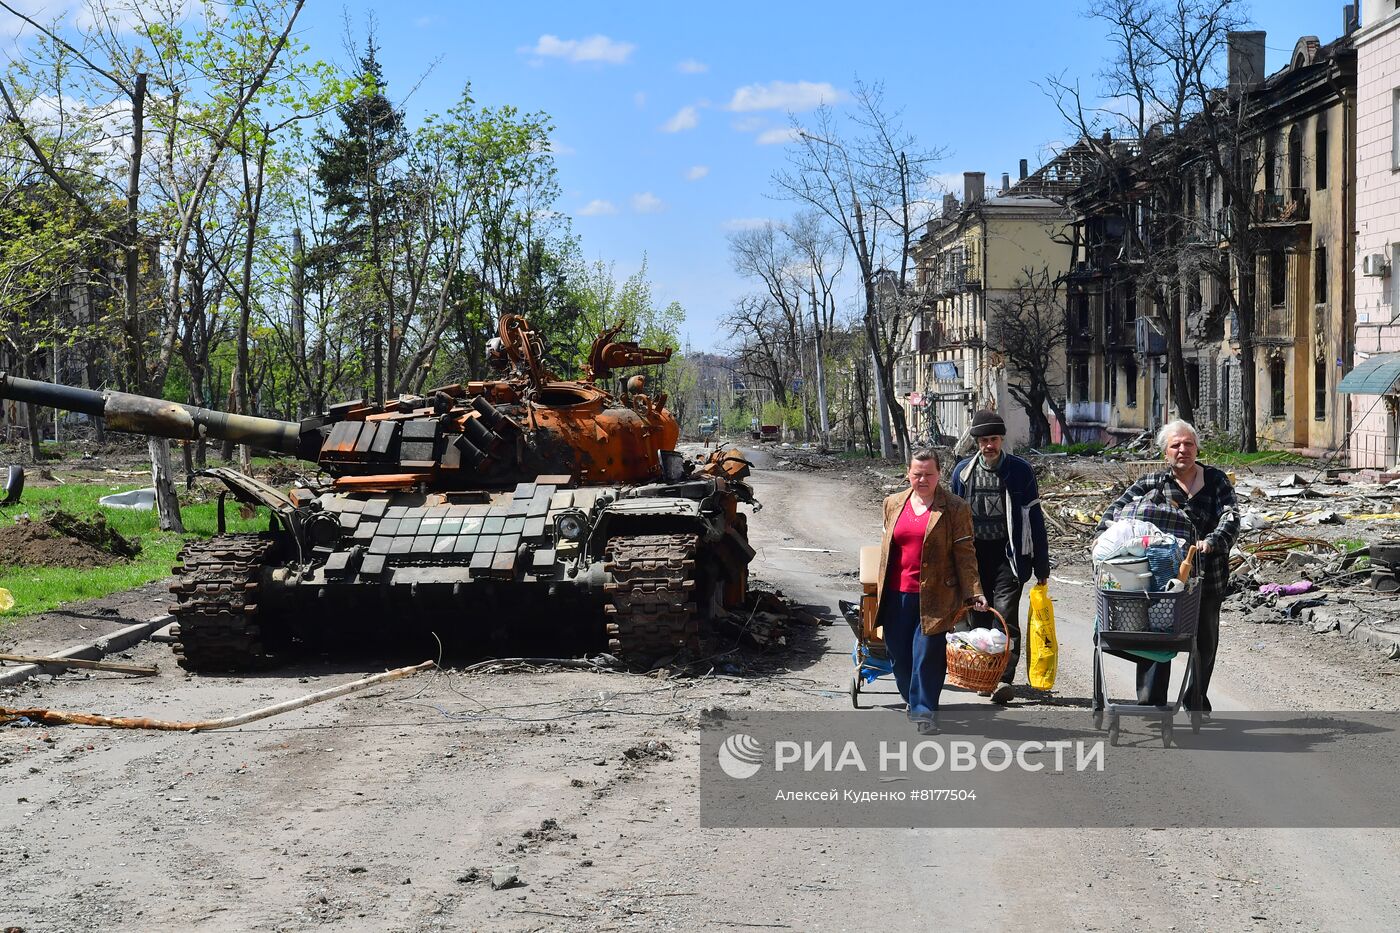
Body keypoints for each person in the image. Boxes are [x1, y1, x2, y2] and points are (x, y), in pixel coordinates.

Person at [1098, 419, 1239, 711]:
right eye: (1175, 445)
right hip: (1162, 579)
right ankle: (1151, 700)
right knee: (1156, 638)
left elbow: (1230, 517)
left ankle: (1195, 698)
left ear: (1197, 448)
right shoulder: (1152, 483)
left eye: (1188, 444)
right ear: (1165, 452)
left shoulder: (1215, 481)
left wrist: (1211, 542)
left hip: (1207, 577)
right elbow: (1116, 511)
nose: (1182, 450)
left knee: (1205, 642)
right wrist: (1104, 536)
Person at [874, 447, 987, 734]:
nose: (922, 479)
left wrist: (974, 591)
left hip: (936, 595)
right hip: (897, 594)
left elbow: (965, 552)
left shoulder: (955, 507)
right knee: (899, 656)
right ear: (908, 474)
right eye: (916, 474)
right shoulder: (892, 503)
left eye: (928, 474)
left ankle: (925, 712)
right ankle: (912, 700)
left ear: (939, 475)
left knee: (926, 656)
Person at [950, 410, 1051, 704]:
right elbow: (952, 521)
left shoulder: (1020, 471)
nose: (989, 446)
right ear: (976, 442)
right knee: (977, 616)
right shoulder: (962, 474)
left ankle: (1002, 679)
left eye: (993, 439)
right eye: (983, 440)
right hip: (974, 557)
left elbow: (1035, 520)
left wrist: (1041, 564)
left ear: (1001, 439)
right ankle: (982, 674)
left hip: (1010, 557)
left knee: (1005, 618)